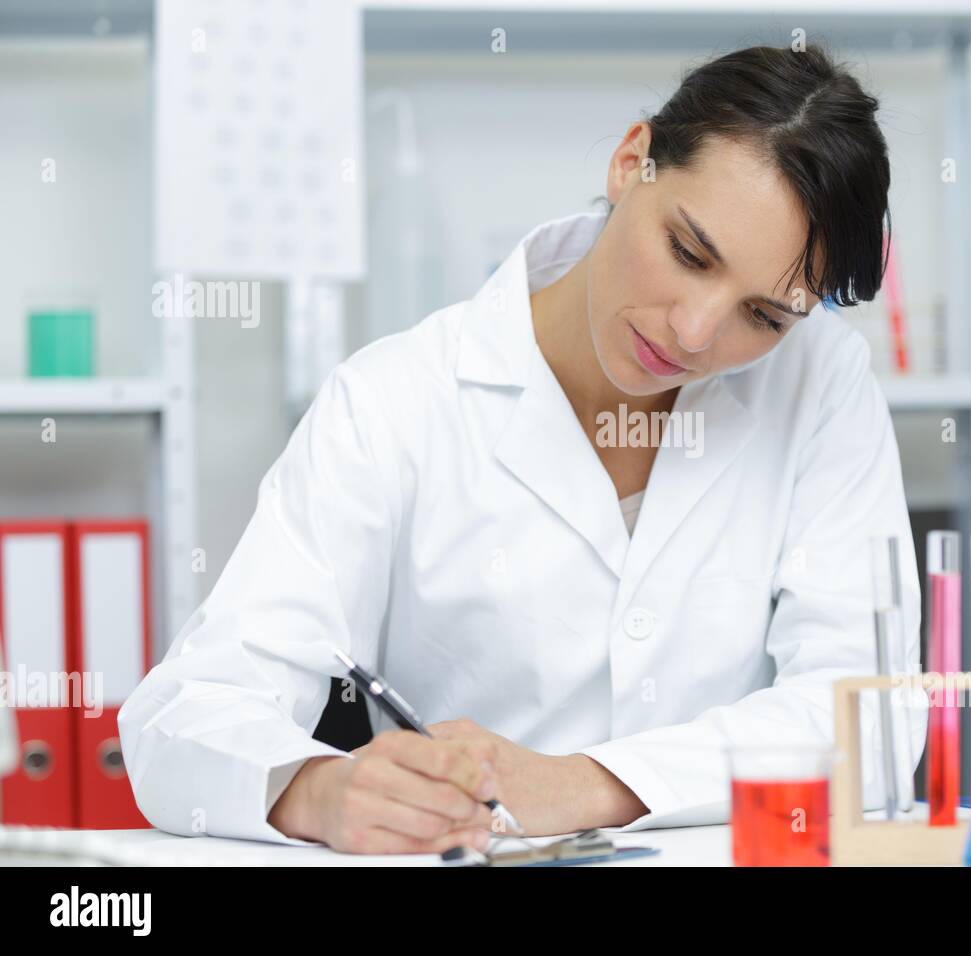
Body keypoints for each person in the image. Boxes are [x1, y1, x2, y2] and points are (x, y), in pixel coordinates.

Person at [119, 43, 926, 855]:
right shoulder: (395, 401)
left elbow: (875, 719)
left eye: (764, 316)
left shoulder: (820, 380)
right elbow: (184, 716)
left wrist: (580, 783)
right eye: (687, 252)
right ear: (630, 162)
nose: (694, 331)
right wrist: (317, 791)